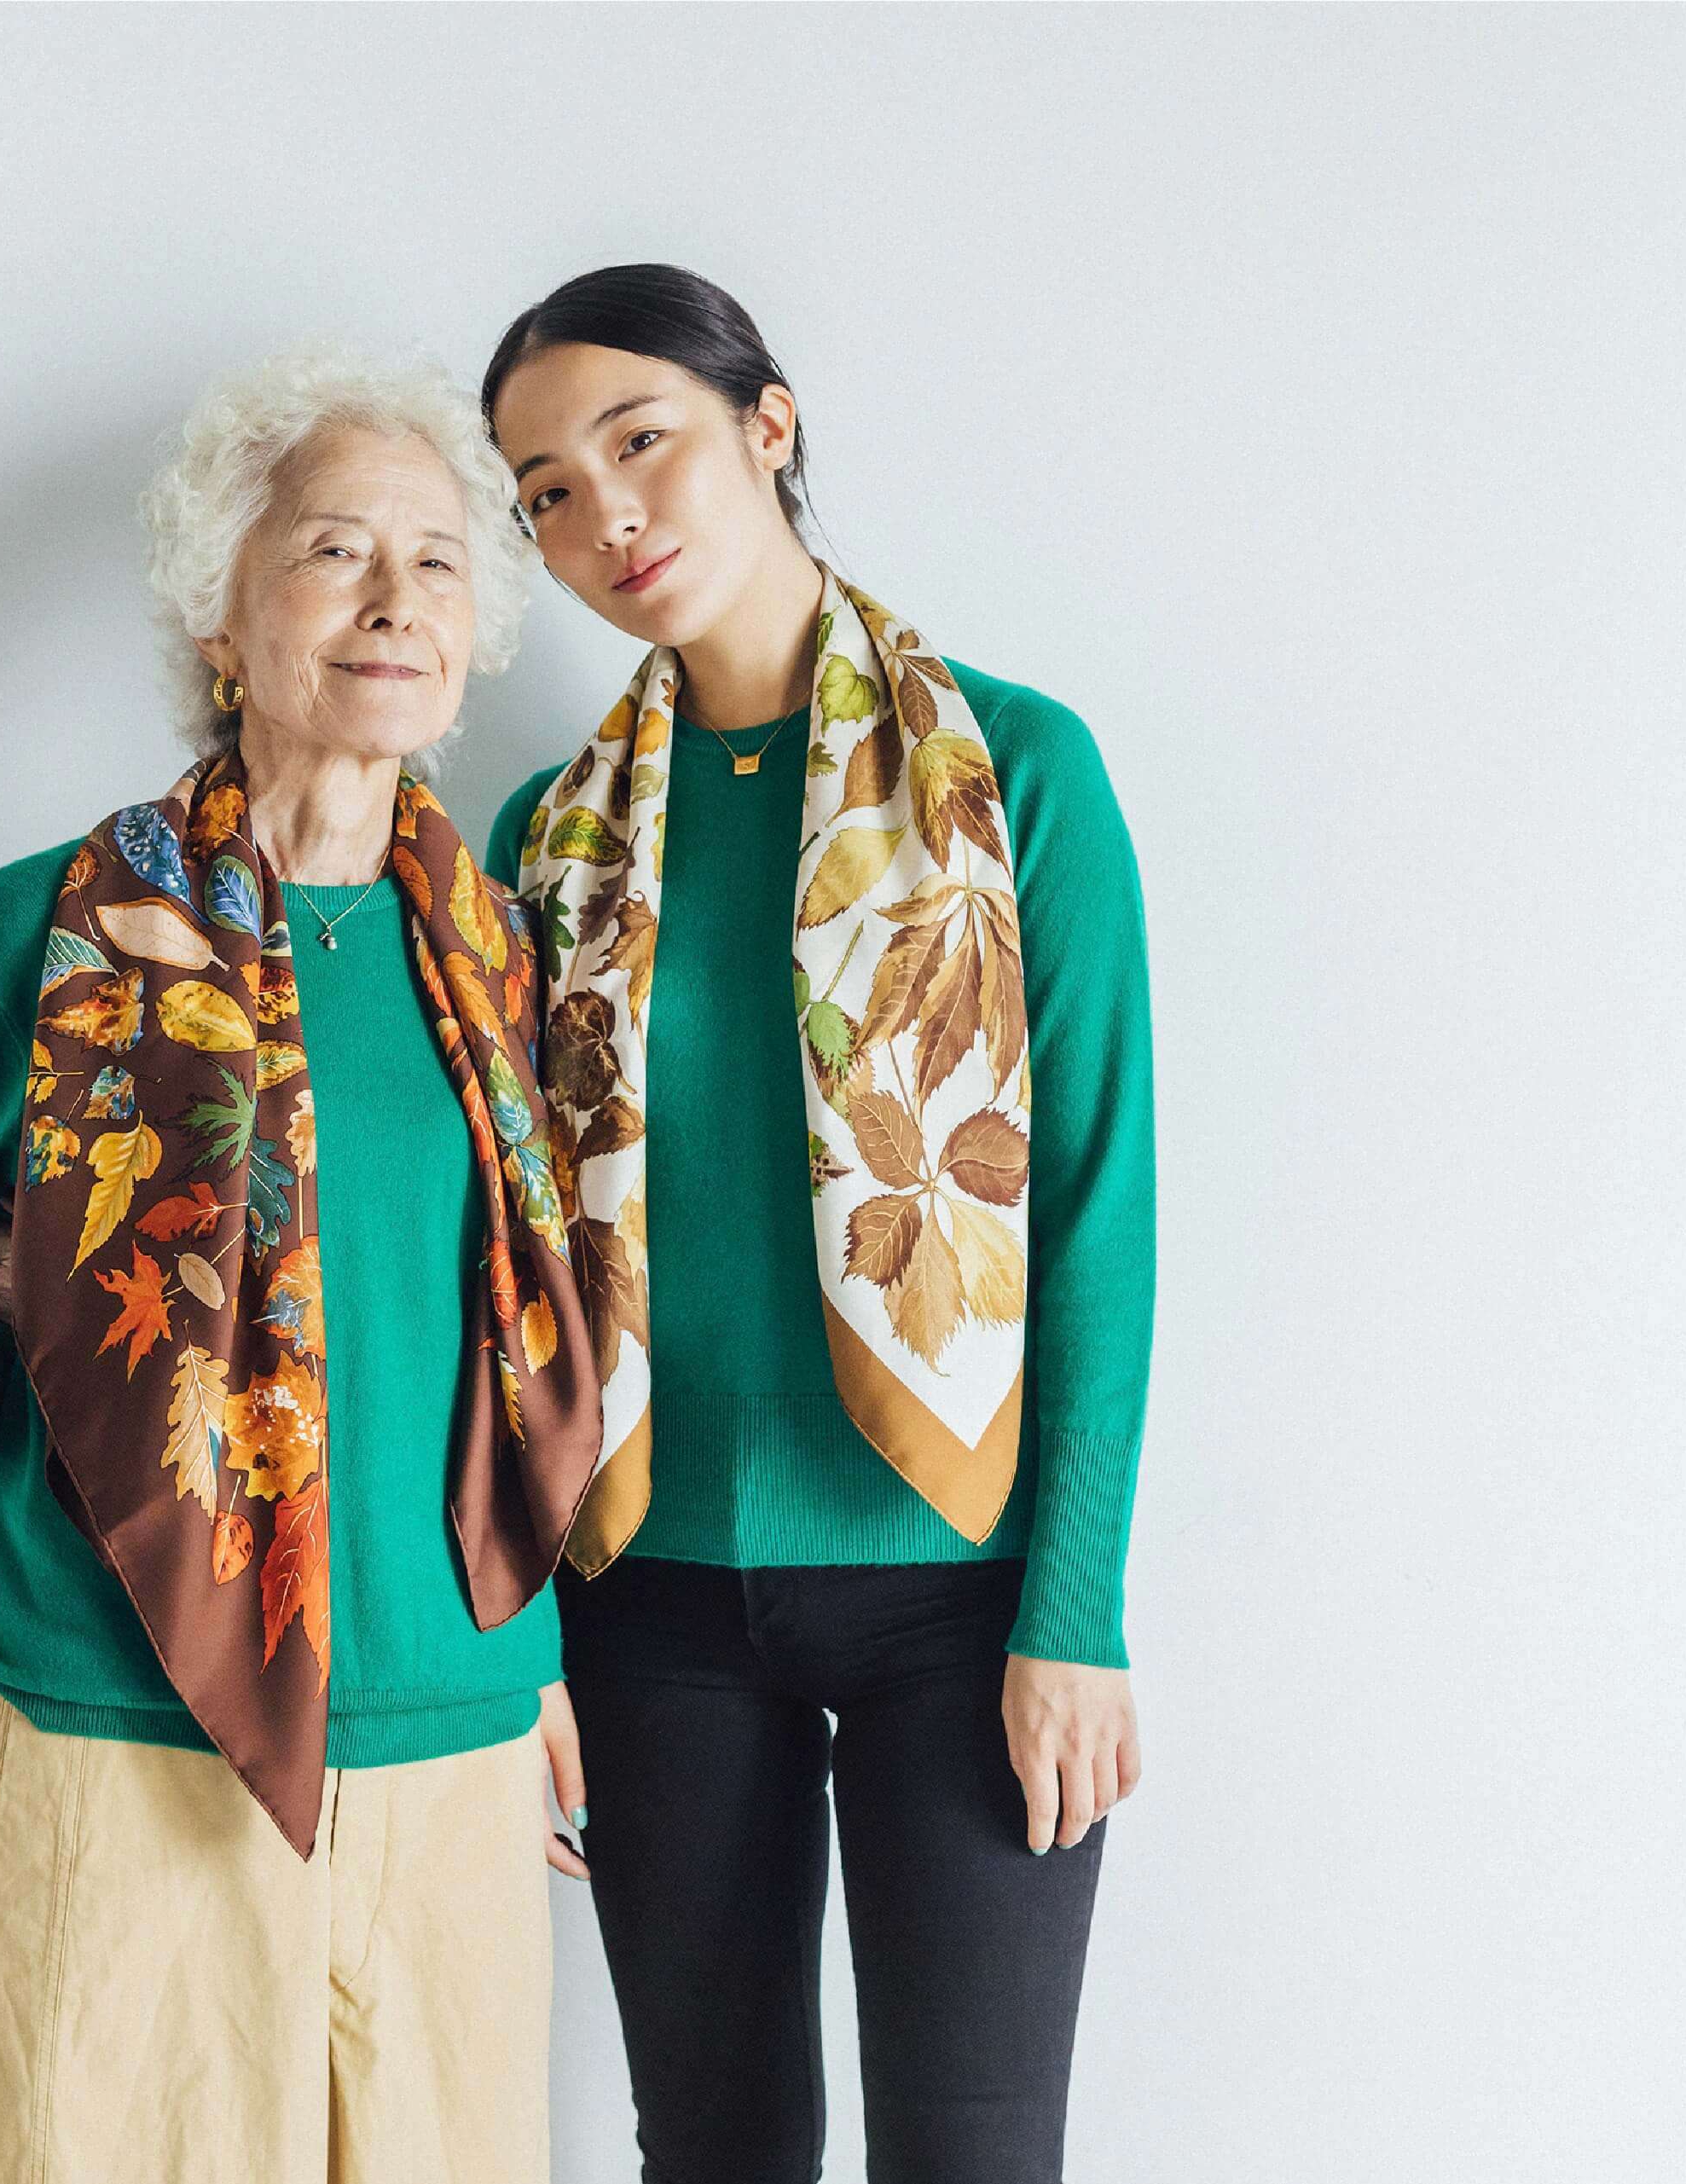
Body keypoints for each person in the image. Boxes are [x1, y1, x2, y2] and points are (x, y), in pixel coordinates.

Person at [0, 347, 602, 2184]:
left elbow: (521, 1348)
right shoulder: (57, 923)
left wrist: (533, 1661)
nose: (394, 601)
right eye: (335, 550)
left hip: (451, 1756)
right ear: (222, 611)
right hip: (126, 1739)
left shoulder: (507, 953)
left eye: (438, 563)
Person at [479, 263, 1156, 2184]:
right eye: (544, 492)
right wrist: (523, 1648)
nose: (604, 516)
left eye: (640, 442)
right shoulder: (546, 837)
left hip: (962, 1589)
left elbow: (1093, 1204)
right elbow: (508, 1271)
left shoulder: (1016, 770)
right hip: (645, 1596)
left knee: (976, 2150)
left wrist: (1076, 1613)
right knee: (709, 2146)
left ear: (764, 426)